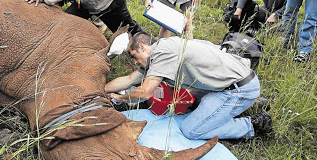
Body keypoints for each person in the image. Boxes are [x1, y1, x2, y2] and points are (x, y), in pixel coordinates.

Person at [105, 33, 272, 139]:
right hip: (227, 81)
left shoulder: (163, 53)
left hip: (238, 88)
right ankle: (247, 103)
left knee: (192, 130)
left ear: (142, 47)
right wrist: (100, 89)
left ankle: (252, 125)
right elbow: (129, 79)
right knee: (192, 98)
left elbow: (145, 92)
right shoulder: (161, 51)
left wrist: (121, 98)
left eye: (134, 56)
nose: (134, 62)